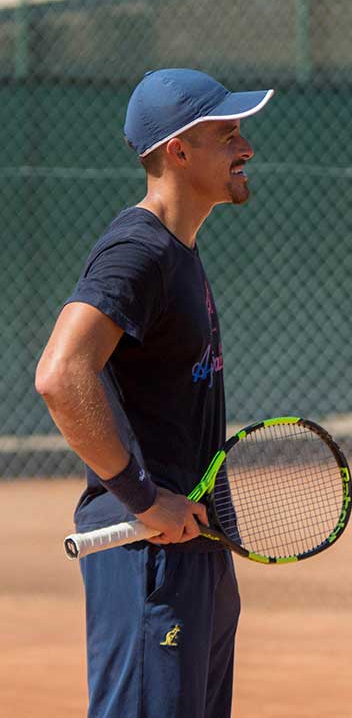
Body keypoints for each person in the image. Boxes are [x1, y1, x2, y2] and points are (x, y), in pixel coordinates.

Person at [35, 68, 274, 717]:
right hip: (148, 550)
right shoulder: (137, 250)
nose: (245, 147)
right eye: (227, 134)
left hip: (190, 548)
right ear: (178, 151)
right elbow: (61, 373)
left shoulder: (178, 252)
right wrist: (141, 498)